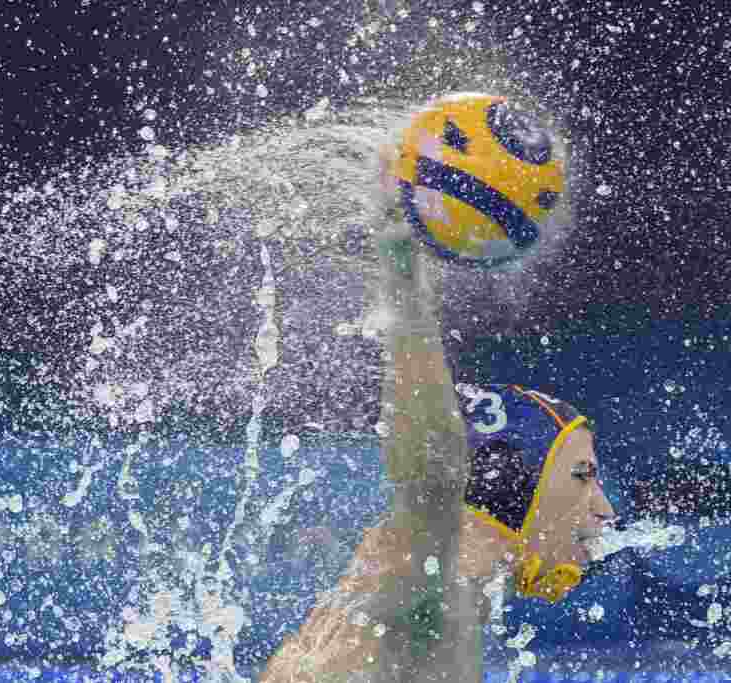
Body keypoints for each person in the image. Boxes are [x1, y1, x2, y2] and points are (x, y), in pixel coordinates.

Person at [260, 104, 616, 683]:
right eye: (581, 475)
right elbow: (430, 473)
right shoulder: (429, 588)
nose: (605, 508)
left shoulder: (409, 600)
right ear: (513, 486)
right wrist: (401, 271)